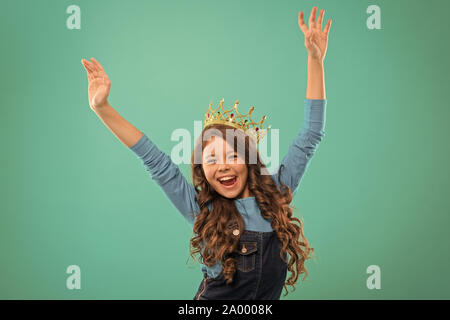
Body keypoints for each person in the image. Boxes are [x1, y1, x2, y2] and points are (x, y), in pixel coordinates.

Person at [81, 6, 331, 300]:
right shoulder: (204, 210)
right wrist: (102, 108)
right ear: (203, 171)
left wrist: (315, 60)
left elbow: (310, 135)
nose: (221, 167)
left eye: (231, 156)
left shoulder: (277, 193)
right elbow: (154, 160)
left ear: (250, 161)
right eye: (210, 160)